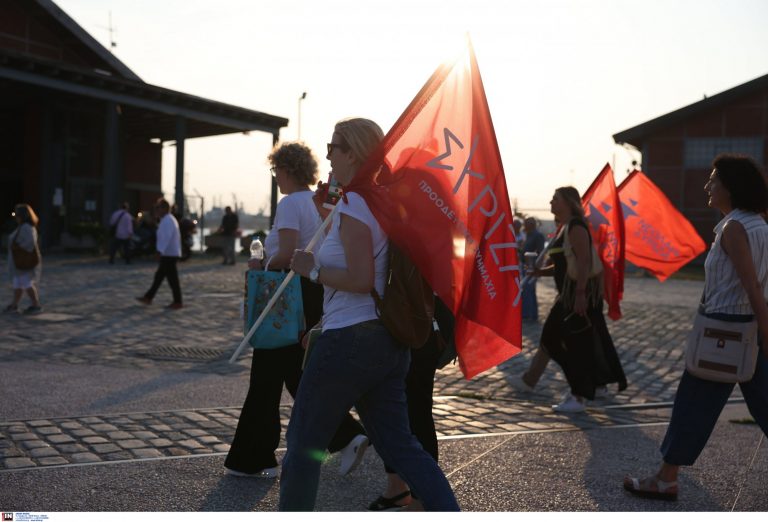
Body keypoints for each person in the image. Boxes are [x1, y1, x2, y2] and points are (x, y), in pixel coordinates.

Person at [283, 117, 459, 511]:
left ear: (354, 152)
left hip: (351, 340)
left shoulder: (355, 202)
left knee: (302, 447)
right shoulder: (383, 201)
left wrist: (309, 267)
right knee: (403, 447)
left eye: (333, 147)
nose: (327, 154)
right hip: (386, 342)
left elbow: (361, 279)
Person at [623, 154, 768, 501]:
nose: (707, 185)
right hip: (750, 327)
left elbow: (751, 285)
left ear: (730, 188)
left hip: (727, 331)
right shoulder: (761, 224)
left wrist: (765, 330)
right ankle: (665, 475)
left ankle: (665, 478)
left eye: (713, 180)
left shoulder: (735, 228)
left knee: (692, 405)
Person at [225, 141, 368, 479]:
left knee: (267, 377)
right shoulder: (319, 203)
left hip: (285, 295)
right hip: (312, 291)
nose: (276, 178)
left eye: (276, 171)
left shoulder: (290, 204)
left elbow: (287, 252)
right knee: (293, 375)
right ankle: (344, 435)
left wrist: (259, 264)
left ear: (286, 170)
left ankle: (256, 457)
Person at [530, 186, 626, 413]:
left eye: (556, 199)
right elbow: (564, 264)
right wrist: (539, 272)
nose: (551, 202)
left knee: (559, 341)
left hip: (576, 296)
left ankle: (579, 393)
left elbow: (583, 262)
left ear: (568, 202)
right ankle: (595, 384)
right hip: (569, 294)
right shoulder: (564, 227)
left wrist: (581, 295)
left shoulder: (575, 226)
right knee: (589, 342)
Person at [367, 298, 454, 511]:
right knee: (390, 411)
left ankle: (422, 499)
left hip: (414, 319)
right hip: (403, 316)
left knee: (416, 412)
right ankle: (397, 487)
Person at [136, 198, 182, 309]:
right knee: (159, 277)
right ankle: (149, 297)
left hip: (169, 254)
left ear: (164, 209)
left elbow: (165, 237)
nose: (156, 210)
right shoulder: (167, 219)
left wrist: (159, 251)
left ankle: (178, 301)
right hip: (169, 253)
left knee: (172, 279)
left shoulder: (167, 221)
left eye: (158, 208)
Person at [4, 204, 43, 314]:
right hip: (20, 261)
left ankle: (35, 304)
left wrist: (17, 246)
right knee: (19, 283)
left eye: (17, 214)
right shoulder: (24, 227)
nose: (16, 217)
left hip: (24, 261)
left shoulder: (26, 227)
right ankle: (14, 304)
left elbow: (29, 244)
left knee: (26, 283)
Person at [521, 217, 546, 321]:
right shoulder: (528, 235)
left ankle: (531, 314)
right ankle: (527, 313)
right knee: (527, 290)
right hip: (526, 266)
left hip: (532, 267)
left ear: (531, 225)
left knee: (529, 290)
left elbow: (541, 252)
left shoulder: (537, 236)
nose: (524, 226)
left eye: (526, 224)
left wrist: (537, 267)